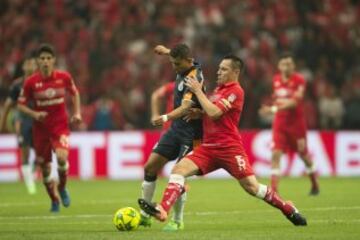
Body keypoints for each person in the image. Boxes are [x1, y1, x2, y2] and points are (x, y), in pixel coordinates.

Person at [138, 54, 307, 227]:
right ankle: (163, 209)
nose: (218, 72)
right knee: (178, 170)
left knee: (252, 188)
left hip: (229, 149)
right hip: (208, 148)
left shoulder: (236, 91)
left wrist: (197, 92)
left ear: (235, 71)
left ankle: (288, 208)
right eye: (219, 68)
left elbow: (215, 113)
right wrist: (200, 113)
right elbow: (211, 112)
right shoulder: (218, 91)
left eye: (224, 69)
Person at [139, 44, 204, 231]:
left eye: (176, 64)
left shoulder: (194, 78)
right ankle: (145, 215)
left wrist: (165, 117)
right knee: (150, 167)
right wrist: (166, 51)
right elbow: (181, 56)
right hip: (176, 130)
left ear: (187, 62)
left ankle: (177, 220)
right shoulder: (185, 62)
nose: (174, 68)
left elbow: (185, 107)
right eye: (172, 63)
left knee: (178, 174)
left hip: (192, 135)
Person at [17, 44, 82, 212]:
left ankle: (62, 188)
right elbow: (20, 105)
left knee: (61, 158)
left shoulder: (64, 77)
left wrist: (77, 113)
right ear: (38, 62)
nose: (45, 61)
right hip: (40, 131)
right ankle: (54, 199)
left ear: (53, 60)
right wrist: (34, 114)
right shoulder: (31, 82)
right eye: (42, 58)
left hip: (60, 126)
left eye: (48, 58)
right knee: (45, 169)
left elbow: (75, 93)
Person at [259, 53, 319, 195]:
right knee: (275, 155)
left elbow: (294, 102)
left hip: (296, 125)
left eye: (289, 64)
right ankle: (274, 190)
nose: (287, 66)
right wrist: (272, 107)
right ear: (279, 66)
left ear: (294, 66)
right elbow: (278, 99)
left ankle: (314, 183)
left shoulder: (299, 80)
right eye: (284, 64)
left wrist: (273, 109)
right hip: (280, 123)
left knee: (304, 156)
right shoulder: (276, 80)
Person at [0, 56, 38, 194]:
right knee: (25, 152)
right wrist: (3, 123)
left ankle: (33, 171)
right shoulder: (17, 85)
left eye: (33, 64)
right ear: (23, 67)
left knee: (42, 153)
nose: (30, 66)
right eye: (28, 63)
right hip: (22, 121)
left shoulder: (42, 83)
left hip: (38, 122)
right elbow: (8, 105)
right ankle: (30, 185)